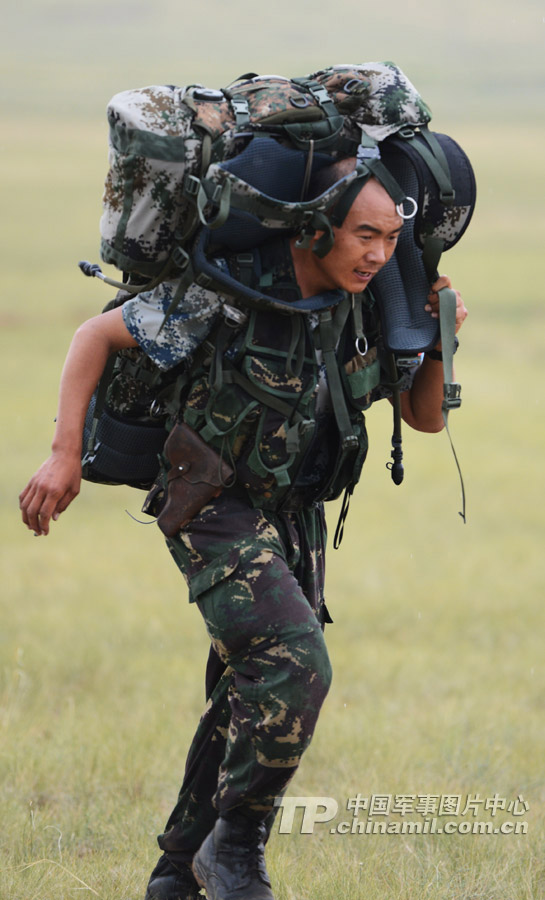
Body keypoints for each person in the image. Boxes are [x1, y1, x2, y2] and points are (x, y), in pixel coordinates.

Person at [19, 166, 468, 900]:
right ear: (315, 229)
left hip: (296, 511)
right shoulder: (228, 296)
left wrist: (441, 337)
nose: (378, 254)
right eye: (364, 235)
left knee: (245, 689)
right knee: (294, 666)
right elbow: (96, 334)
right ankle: (234, 853)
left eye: (391, 238)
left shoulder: (371, 301)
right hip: (211, 499)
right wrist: (64, 453)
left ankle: (176, 874)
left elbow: (422, 417)